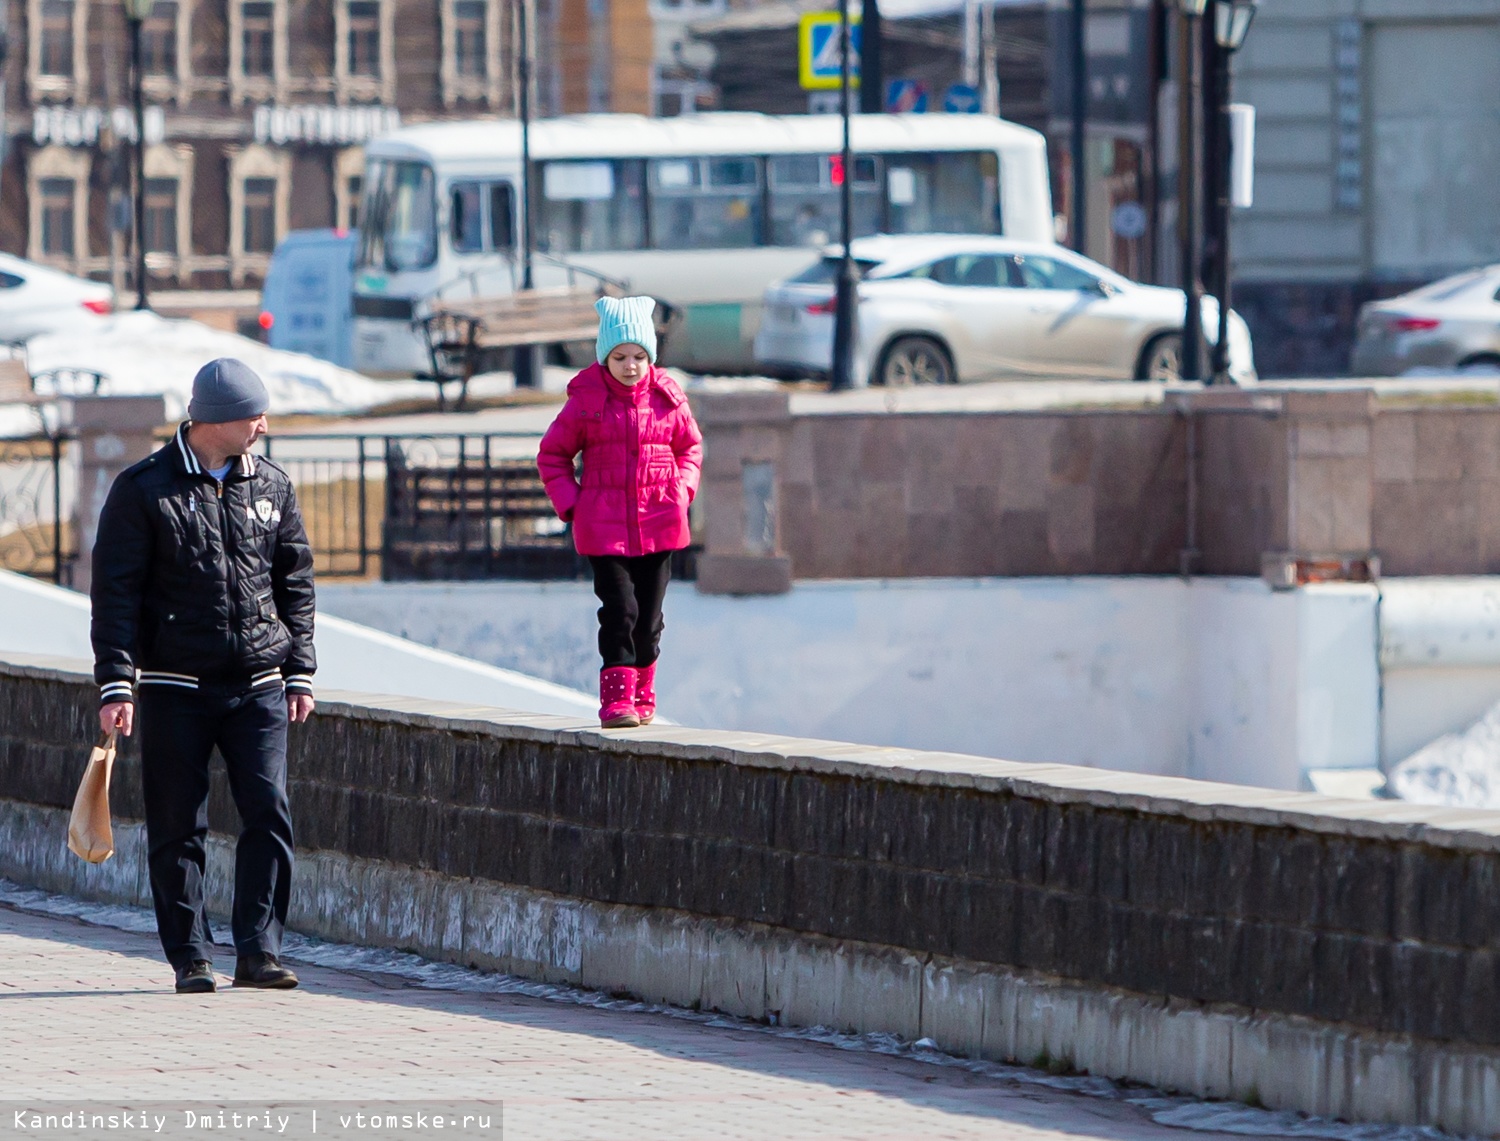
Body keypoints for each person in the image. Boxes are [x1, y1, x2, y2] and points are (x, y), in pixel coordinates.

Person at [90, 358, 316, 995]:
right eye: (254, 416)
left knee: (269, 815)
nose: (264, 426)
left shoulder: (272, 485)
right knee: (177, 823)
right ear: (215, 421)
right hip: (174, 687)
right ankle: (190, 955)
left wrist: (298, 669)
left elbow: (294, 585)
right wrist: (116, 684)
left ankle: (259, 951)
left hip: (259, 686)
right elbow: (115, 595)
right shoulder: (143, 490)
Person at [537, 296, 703, 728]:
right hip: (604, 528)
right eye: (620, 356)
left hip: (660, 522)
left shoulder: (667, 399)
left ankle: (644, 691)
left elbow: (690, 448)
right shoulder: (587, 401)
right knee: (620, 610)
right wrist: (572, 504)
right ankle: (616, 701)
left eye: (639, 356)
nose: (630, 366)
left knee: (649, 618)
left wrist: (682, 491)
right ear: (604, 357)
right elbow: (552, 455)